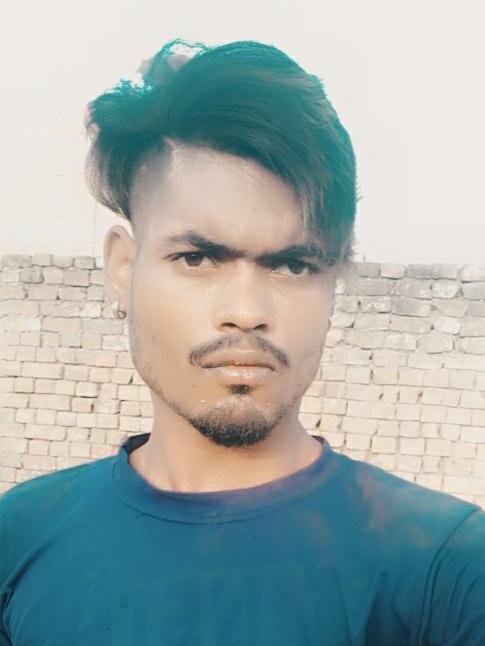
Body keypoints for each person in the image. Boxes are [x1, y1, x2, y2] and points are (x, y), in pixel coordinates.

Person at [0, 38, 484, 645]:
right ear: (124, 270)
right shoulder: (20, 535)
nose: (247, 313)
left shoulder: (447, 567)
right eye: (197, 258)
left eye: (293, 265)